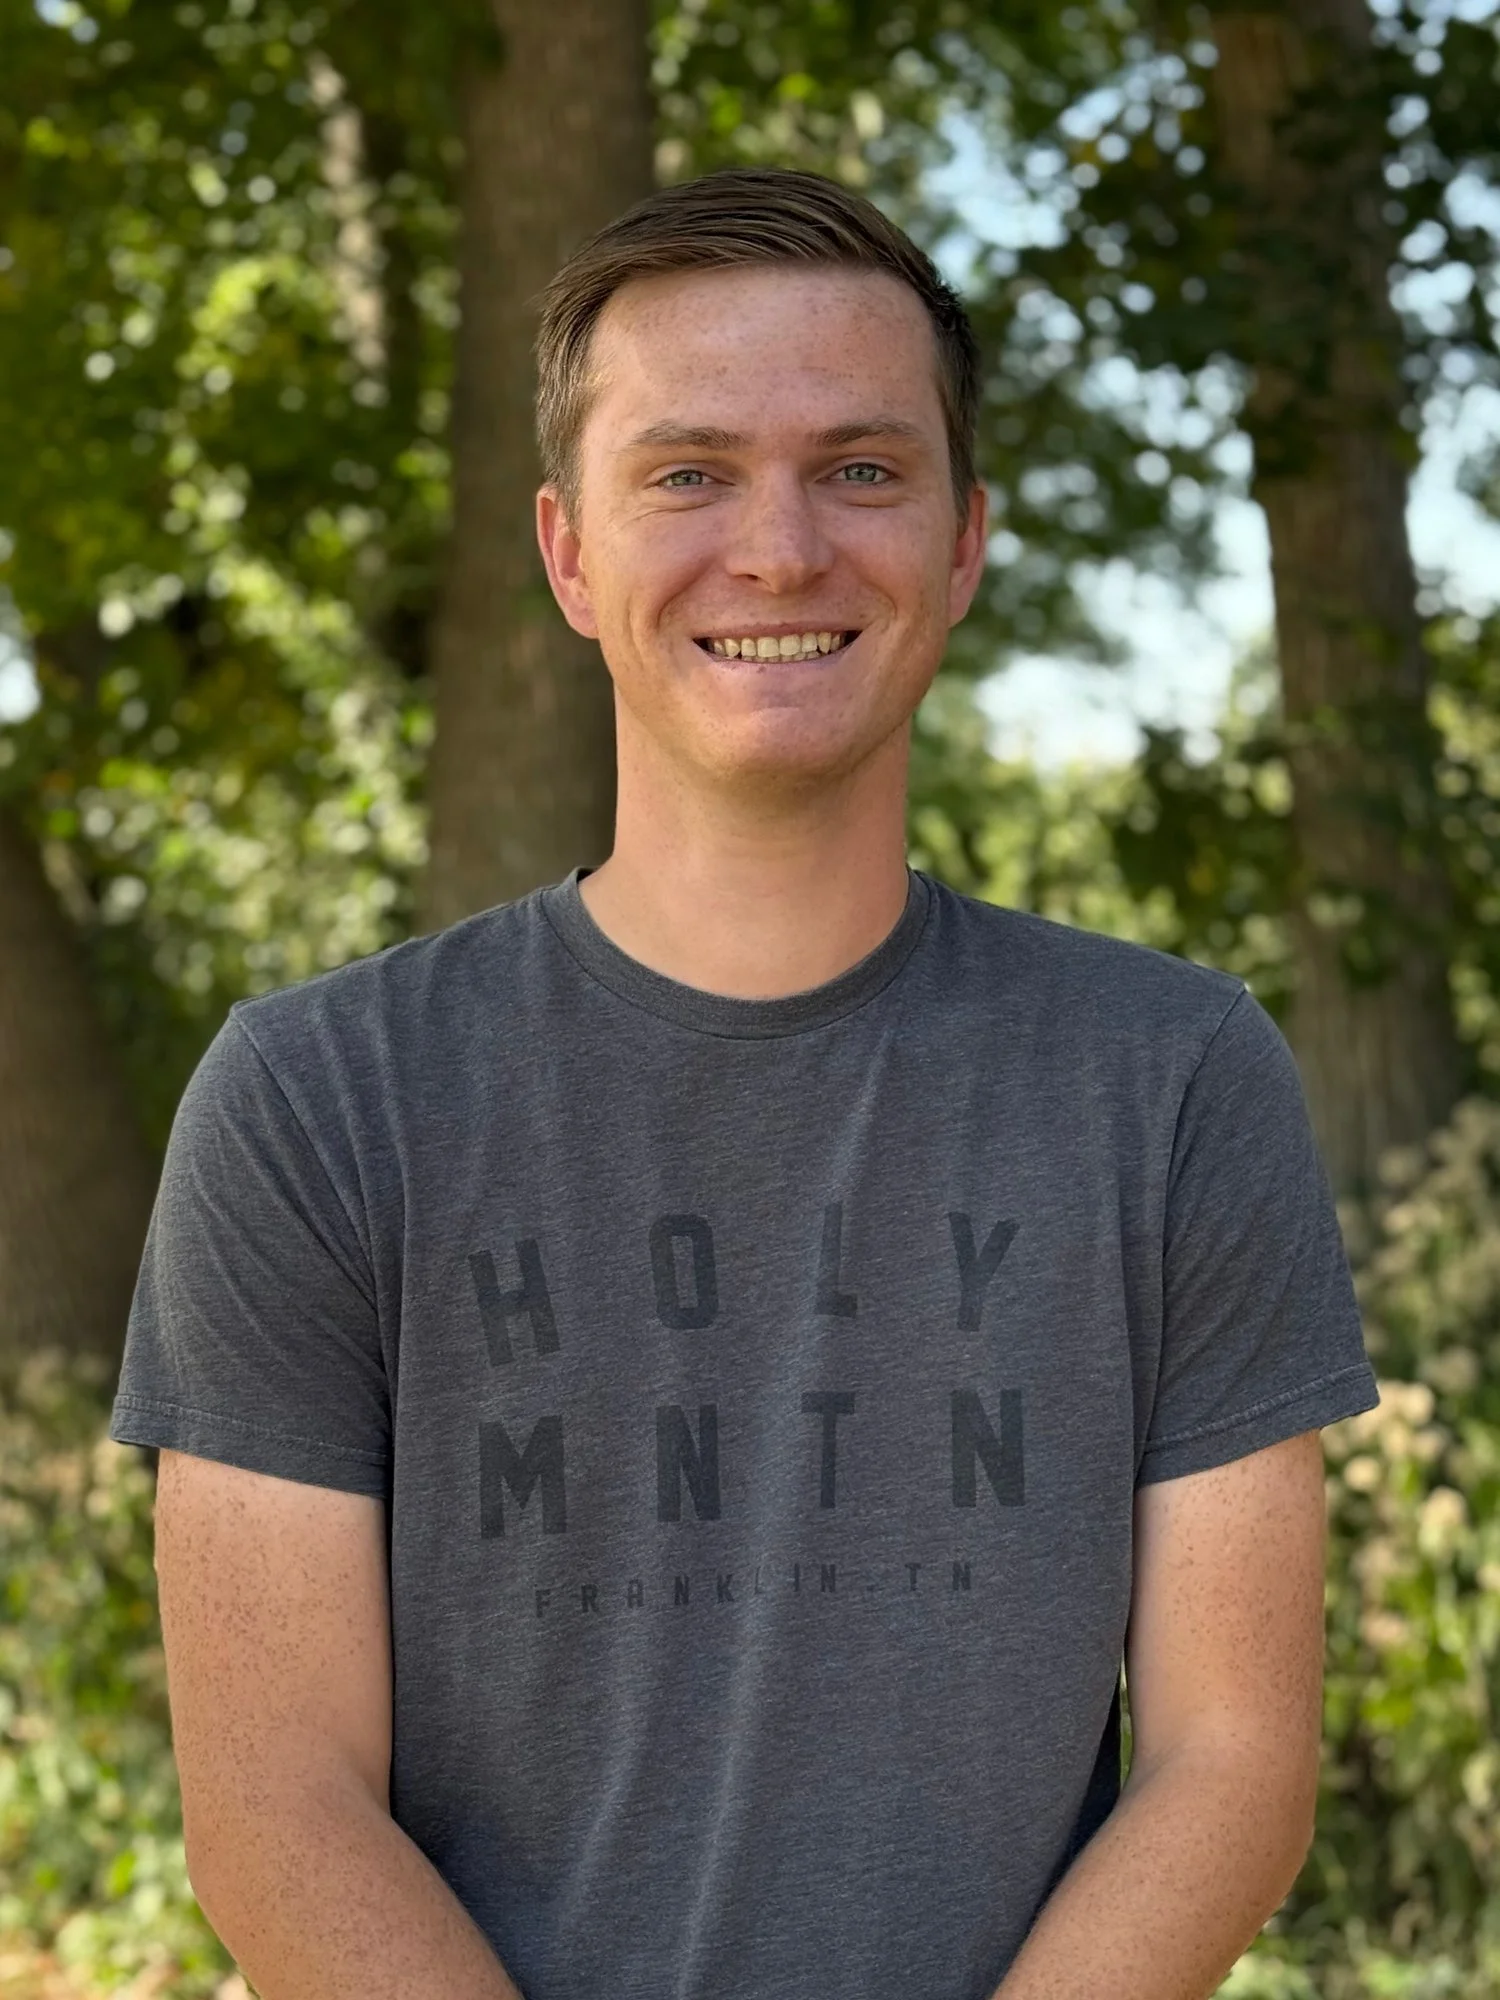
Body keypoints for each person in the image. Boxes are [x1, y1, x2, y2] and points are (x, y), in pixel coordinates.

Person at [109, 165, 1380, 2000]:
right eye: (687, 472)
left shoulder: (1175, 1078)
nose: (779, 549)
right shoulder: (318, 1100)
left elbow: (1232, 1764)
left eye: (862, 468)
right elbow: (275, 1802)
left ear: (961, 542)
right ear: (568, 554)